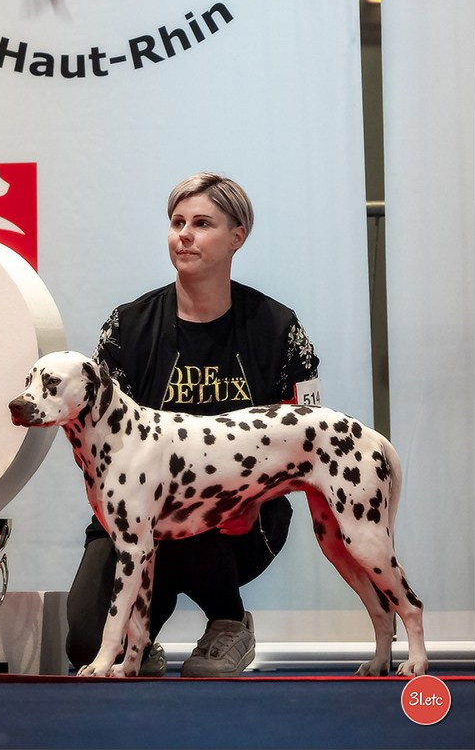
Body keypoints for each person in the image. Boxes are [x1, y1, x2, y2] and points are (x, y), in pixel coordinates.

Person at [65, 172, 320, 677]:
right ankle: (140, 642)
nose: (184, 235)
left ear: (237, 237)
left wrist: (254, 498)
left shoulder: (278, 327)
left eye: (202, 224)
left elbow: (306, 435)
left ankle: (229, 620)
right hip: (138, 514)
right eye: (177, 222)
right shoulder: (127, 326)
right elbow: (96, 443)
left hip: (241, 516)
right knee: (87, 643)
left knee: (196, 508)